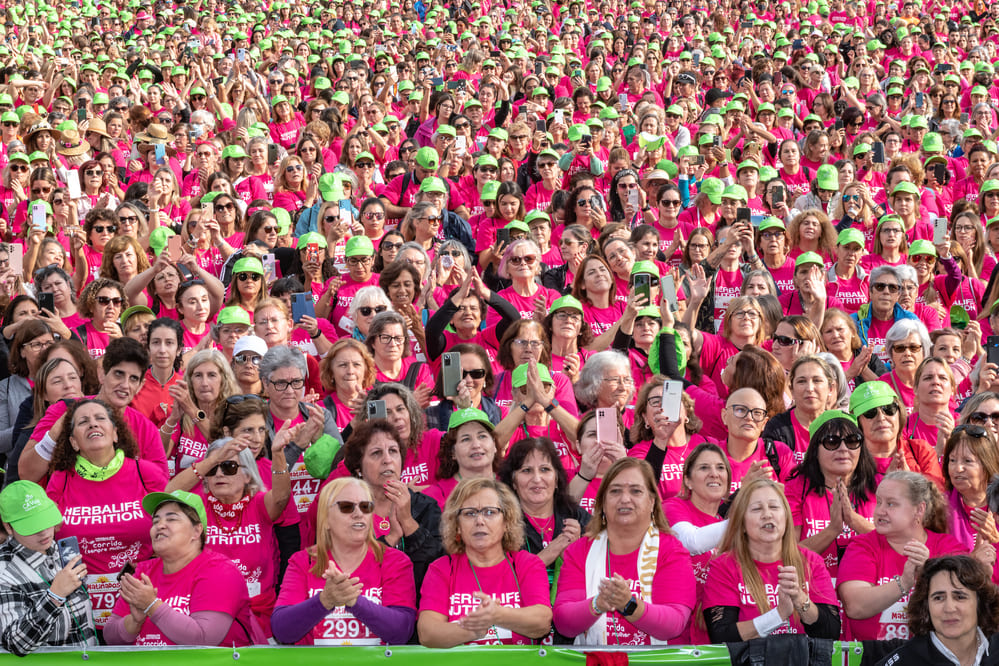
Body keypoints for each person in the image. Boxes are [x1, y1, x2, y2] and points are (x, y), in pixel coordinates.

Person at [47, 398, 168, 629]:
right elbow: (46, 541)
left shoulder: (147, 473)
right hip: (81, 610)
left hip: (142, 605)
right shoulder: (60, 480)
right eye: (83, 422)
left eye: (100, 419)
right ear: (73, 442)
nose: (93, 425)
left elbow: (175, 530)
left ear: (115, 434)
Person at [553, 457, 696, 645]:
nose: (625, 499)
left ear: (652, 502)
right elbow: (564, 622)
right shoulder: (579, 551)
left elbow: (674, 623)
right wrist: (598, 604)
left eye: (636, 491)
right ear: (602, 503)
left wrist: (629, 605)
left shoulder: (672, 551)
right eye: (615, 491)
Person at [271, 477, 417, 645]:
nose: (358, 513)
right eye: (347, 507)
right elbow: (281, 630)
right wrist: (324, 600)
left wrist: (355, 601)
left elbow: (402, 631)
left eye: (365, 506)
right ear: (325, 519)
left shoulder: (395, 561)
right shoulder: (303, 562)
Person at [104, 490, 259, 646]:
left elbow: (204, 640)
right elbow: (110, 637)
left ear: (197, 531)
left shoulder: (220, 571)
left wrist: (151, 605)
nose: (160, 526)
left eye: (171, 519)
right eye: (155, 521)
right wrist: (134, 622)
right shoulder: (143, 571)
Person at [418, 477, 552, 647]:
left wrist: (498, 615)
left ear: (506, 523)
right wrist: (475, 629)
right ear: (457, 525)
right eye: (469, 513)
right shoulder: (442, 569)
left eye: (490, 512)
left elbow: (542, 622)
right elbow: (427, 633)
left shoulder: (527, 564)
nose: (479, 521)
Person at [702, 477, 841, 641]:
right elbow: (721, 635)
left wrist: (799, 598)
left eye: (774, 507)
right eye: (756, 509)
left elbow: (831, 631)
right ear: (742, 523)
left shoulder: (811, 561)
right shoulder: (724, 566)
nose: (767, 515)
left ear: (786, 518)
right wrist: (779, 615)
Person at [838, 471, 969, 641]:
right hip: (871, 656)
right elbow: (855, 607)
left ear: (919, 509)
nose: (880, 511)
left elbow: (964, 608)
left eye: (891, 504)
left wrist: (929, 573)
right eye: (879, 502)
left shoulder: (948, 548)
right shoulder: (862, 546)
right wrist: (904, 583)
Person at [193, 425, 296, 638]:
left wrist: (277, 454)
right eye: (213, 469)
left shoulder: (259, 504)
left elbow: (281, 497)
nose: (219, 474)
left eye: (229, 467)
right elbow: (167, 494)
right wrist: (207, 463)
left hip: (260, 615)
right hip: (210, 614)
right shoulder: (197, 508)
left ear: (247, 476)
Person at [338, 419, 444, 594]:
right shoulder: (347, 510)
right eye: (376, 453)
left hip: (419, 606)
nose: (387, 460)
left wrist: (408, 523)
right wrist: (391, 539)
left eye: (393, 451)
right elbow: (347, 568)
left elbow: (438, 565)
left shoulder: (426, 506)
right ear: (358, 467)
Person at [0, 480, 98, 655]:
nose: (43, 531)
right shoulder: (4, 571)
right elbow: (15, 643)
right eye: (31, 526)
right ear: (8, 527)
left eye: (45, 520)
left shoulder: (60, 550)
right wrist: (55, 596)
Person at [784, 410, 878, 581]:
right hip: (814, 590)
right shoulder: (795, 489)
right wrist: (832, 530)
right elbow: (788, 557)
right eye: (832, 442)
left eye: (852, 441)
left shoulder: (879, 486)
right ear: (814, 451)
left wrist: (853, 520)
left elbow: (896, 544)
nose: (843, 449)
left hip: (870, 590)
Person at [871, 555, 999, 666]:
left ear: (980, 603)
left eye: (960, 597)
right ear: (926, 606)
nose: (949, 608)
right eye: (938, 598)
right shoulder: (904, 661)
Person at [940, 425, 999, 553]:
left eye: (967, 461)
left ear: (987, 463)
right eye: (953, 460)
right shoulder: (940, 507)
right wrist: (973, 559)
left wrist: (996, 541)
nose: (958, 468)